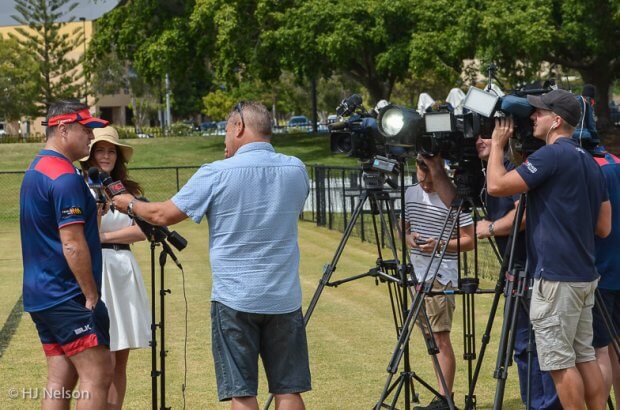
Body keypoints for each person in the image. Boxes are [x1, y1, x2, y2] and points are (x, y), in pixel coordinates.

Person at [111, 101, 311, 410]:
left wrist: (128, 204)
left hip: (235, 297)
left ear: (239, 127)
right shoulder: (296, 168)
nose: (225, 138)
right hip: (284, 297)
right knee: (289, 390)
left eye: (227, 130)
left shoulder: (216, 172)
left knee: (242, 392)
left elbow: (162, 214)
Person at [486, 89, 612, 410]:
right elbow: (603, 227)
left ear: (556, 121)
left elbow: (496, 186)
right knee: (584, 355)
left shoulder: (550, 156)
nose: (532, 118)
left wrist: (498, 146)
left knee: (558, 362)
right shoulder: (590, 161)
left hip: (556, 278)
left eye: (539, 114)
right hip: (584, 275)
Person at [20, 100, 113, 409]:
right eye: (86, 130)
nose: (92, 138)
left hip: (41, 293)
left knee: (60, 377)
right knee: (97, 373)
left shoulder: (36, 168)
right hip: (67, 294)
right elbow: (72, 243)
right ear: (62, 129)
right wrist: (90, 295)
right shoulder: (65, 177)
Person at [475, 134, 561, 409]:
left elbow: (522, 215)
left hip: (533, 268)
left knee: (545, 347)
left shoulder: (513, 169)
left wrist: (489, 228)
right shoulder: (488, 171)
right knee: (522, 346)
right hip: (514, 268)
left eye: (487, 135)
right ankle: (533, 403)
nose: (479, 140)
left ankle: (547, 404)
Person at [80, 126, 150, 409]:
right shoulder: (80, 187)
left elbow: (143, 230)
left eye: (111, 151)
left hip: (124, 269)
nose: (106, 156)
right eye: (100, 150)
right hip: (98, 270)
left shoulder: (128, 190)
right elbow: (85, 234)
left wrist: (104, 238)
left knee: (121, 358)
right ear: (90, 154)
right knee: (103, 358)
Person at [405, 154, 475, 410]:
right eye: (422, 180)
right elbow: (403, 227)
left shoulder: (452, 198)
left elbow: (470, 240)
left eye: (431, 180)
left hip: (440, 275)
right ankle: (441, 396)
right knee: (430, 340)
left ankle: (446, 399)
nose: (426, 185)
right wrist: (408, 237)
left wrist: (440, 244)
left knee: (440, 337)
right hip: (417, 274)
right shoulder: (409, 193)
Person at [587, 145, 620, 404]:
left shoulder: (587, 167)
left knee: (602, 351)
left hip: (600, 270)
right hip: (614, 267)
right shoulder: (615, 162)